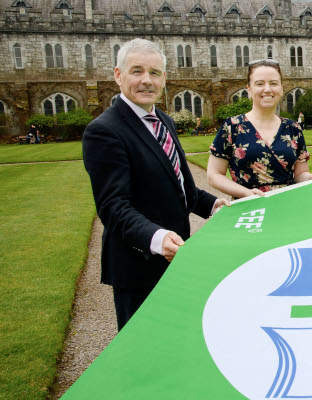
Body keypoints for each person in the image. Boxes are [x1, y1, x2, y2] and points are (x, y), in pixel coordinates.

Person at [82, 38, 228, 330]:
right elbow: (112, 206)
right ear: (117, 75)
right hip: (137, 265)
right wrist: (157, 238)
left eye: (155, 72)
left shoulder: (162, 121)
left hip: (175, 260)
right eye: (137, 71)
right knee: (142, 354)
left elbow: (182, 186)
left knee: (176, 341)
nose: (146, 80)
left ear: (164, 78)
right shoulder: (104, 131)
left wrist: (213, 205)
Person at [208, 59, 312, 199]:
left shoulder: (293, 129)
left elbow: (300, 174)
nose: (267, 89)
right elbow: (214, 175)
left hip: (288, 206)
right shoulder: (232, 127)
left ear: (281, 88)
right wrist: (246, 193)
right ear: (249, 89)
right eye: (260, 84)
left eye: (273, 83)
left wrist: (310, 178)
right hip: (248, 208)